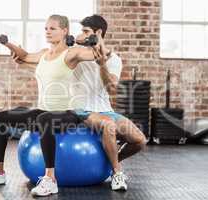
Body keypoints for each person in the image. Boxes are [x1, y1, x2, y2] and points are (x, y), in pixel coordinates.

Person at [0, 14, 106, 193]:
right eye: (46, 28)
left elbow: (95, 55)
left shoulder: (71, 53)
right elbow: (25, 56)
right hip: (44, 111)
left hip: (68, 113)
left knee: (44, 119)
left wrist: (94, 41)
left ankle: (50, 180)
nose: (48, 32)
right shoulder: (45, 54)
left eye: (52, 29)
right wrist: (6, 43)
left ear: (64, 31)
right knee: (0, 118)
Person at [28, 15, 147, 196]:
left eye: (85, 31)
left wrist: (101, 65)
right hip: (82, 109)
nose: (80, 34)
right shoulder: (75, 52)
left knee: (140, 140)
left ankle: (106, 162)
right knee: (108, 125)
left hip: (105, 109)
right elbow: (52, 58)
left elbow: (112, 87)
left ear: (98, 33)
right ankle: (117, 173)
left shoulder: (114, 59)